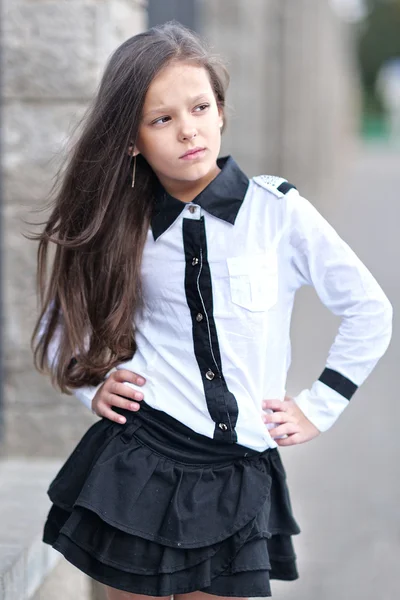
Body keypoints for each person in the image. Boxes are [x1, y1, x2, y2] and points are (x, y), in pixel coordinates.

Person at [30, 21, 393, 600]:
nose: (187, 130)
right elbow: (55, 325)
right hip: (139, 460)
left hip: (240, 466)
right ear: (132, 140)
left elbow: (370, 311)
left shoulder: (279, 214)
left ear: (221, 111)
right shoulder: (120, 224)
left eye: (199, 107)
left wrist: (320, 405)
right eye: (161, 119)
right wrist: (91, 386)